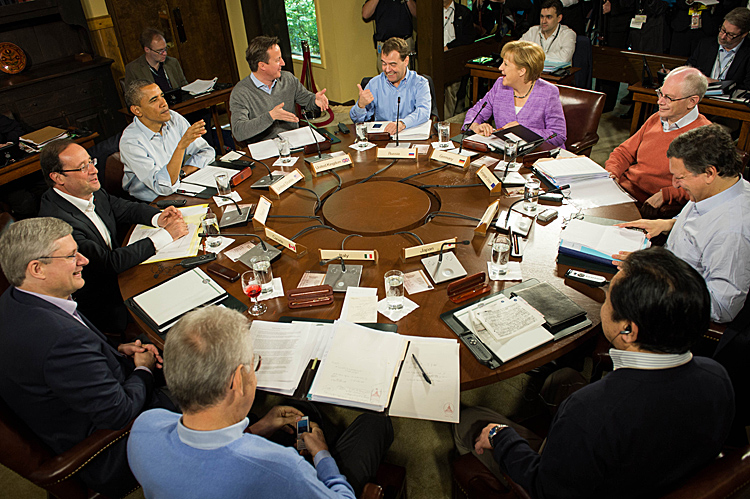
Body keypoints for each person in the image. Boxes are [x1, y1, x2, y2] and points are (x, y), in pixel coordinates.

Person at [455, 247, 734, 498]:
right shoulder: (717, 376)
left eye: (608, 295)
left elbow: (545, 489)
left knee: (467, 420)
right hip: (650, 474)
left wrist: (500, 438)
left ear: (628, 330)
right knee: (562, 379)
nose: (603, 299)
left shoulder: (590, 411)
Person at [127, 306, 394, 498]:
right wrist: (322, 455)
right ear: (236, 382)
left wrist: (260, 427)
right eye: (252, 364)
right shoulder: (283, 468)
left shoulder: (145, 427)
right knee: (374, 424)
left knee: (304, 414)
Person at [0, 217, 176, 498]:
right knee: (212, 386)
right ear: (37, 268)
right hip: (110, 448)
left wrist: (118, 350)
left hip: (87, 404)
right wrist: (142, 370)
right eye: (71, 256)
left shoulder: (20, 299)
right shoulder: (58, 339)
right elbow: (119, 413)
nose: (84, 260)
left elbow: (70, 359)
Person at [37, 139, 188, 337]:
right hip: (108, 304)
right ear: (58, 178)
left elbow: (125, 208)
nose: (94, 170)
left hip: (124, 275)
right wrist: (166, 235)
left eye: (91, 161)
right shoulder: (59, 222)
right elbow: (107, 263)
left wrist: (158, 218)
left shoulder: (89, 189)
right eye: (83, 167)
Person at [615, 124, 750, 324]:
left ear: (709, 173)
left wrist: (657, 277)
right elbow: (701, 226)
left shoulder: (732, 232)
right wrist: (669, 223)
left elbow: (723, 308)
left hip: (678, 309)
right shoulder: (723, 189)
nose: (675, 184)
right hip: (667, 268)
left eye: (679, 177)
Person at [605, 67, 711, 215]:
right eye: (660, 93)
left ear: (692, 101)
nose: (660, 101)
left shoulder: (705, 136)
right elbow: (624, 152)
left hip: (648, 204)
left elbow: (704, 185)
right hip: (622, 189)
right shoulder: (657, 117)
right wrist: (612, 172)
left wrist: (666, 194)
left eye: (669, 98)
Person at [120, 79, 215, 202]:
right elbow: (164, 187)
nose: (163, 103)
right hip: (152, 202)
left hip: (182, 185)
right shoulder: (130, 142)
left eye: (162, 96)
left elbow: (207, 152)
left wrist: (181, 173)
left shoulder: (173, 117)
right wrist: (181, 147)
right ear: (137, 110)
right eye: (154, 100)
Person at [462, 40, 567, 148]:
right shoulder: (500, 85)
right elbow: (476, 112)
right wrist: (475, 126)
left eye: (506, 64)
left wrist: (524, 131)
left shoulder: (548, 92)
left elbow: (558, 135)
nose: (500, 68)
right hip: (506, 153)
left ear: (522, 71)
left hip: (539, 156)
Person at [229, 36, 329, 145]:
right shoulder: (240, 92)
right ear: (262, 66)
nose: (283, 63)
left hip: (294, 143)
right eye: (278, 60)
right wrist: (271, 116)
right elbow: (239, 131)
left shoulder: (288, 79)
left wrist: (315, 100)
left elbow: (307, 100)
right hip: (264, 150)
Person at [349, 37, 431, 135]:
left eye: (392, 64)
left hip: (410, 136)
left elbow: (424, 111)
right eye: (384, 64)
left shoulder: (420, 83)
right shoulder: (374, 84)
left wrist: (402, 123)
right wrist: (360, 106)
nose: (387, 70)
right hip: (382, 138)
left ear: (406, 61)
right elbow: (357, 122)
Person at [687, 7, 750, 90]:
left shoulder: (747, 53)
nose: (723, 37)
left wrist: (718, 84)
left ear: (744, 34)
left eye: (730, 35)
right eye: (722, 30)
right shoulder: (705, 45)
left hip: (729, 101)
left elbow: (747, 87)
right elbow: (689, 69)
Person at [520, 0, 577, 65]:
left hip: (557, 74)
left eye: (549, 17)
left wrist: (533, 55)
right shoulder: (533, 31)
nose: (544, 21)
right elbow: (517, 50)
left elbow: (564, 58)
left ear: (559, 18)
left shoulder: (568, 34)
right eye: (542, 16)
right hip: (534, 73)